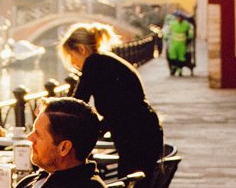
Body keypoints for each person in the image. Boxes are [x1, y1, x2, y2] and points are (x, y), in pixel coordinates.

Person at [60, 24, 163, 179]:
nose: (73, 64)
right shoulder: (105, 62)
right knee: (132, 187)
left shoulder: (93, 63)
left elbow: (78, 103)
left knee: (129, 185)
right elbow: (117, 109)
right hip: (144, 130)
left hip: (136, 135)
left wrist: (52, 110)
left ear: (81, 49)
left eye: (71, 57)